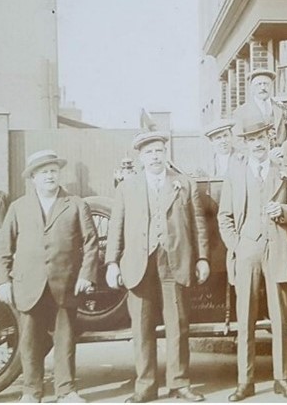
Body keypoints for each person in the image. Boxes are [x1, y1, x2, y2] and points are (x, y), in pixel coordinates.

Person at [104, 132, 210, 403]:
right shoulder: (127, 187)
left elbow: (198, 224)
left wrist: (202, 258)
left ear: (166, 154)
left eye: (159, 151)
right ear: (141, 157)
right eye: (149, 152)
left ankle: (179, 383)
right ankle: (145, 386)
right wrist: (112, 263)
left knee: (178, 325)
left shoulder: (184, 184)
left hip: (175, 261)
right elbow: (116, 227)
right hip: (138, 264)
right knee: (141, 327)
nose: (155, 157)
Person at [0, 149, 99, 403]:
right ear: (33, 178)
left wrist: (86, 275)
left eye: (53, 171)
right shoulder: (18, 207)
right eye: (43, 172)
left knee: (65, 340)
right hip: (28, 285)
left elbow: (91, 243)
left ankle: (66, 391)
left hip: (65, 284)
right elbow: (3, 248)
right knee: (29, 342)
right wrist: (3, 281)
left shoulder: (76, 204)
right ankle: (31, 392)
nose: (50, 176)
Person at [217, 118, 287, 402]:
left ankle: (282, 379)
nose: (257, 143)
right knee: (245, 318)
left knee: (280, 317)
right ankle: (245, 382)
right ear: (245, 144)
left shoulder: (283, 173)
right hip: (247, 250)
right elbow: (224, 217)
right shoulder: (235, 174)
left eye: (261, 138)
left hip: (277, 247)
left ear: (269, 139)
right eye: (251, 139)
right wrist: (237, 246)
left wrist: (282, 210)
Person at [233, 68, 287, 146]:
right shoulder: (241, 112)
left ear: (272, 86)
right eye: (259, 84)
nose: (263, 88)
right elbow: (237, 141)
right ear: (252, 88)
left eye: (266, 84)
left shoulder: (282, 108)